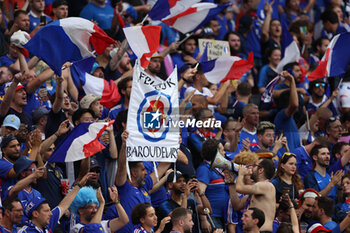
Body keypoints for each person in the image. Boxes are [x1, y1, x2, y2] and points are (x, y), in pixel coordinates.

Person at [18, 172, 94, 233]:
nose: (51, 213)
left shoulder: (47, 223)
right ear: (35, 214)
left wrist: (79, 185)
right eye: (46, 211)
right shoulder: (25, 231)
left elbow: (63, 206)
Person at [236, 158, 276, 232]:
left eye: (254, 166)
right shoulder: (258, 189)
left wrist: (241, 174)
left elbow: (239, 188)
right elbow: (237, 205)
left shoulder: (266, 186)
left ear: (261, 170)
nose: (251, 168)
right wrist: (230, 182)